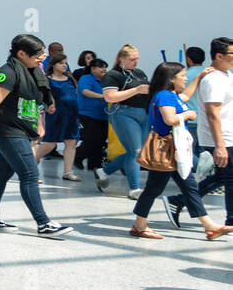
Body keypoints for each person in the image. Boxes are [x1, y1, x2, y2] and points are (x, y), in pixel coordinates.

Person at [0, 33, 72, 236]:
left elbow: (33, 100)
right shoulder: (6, 73)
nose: (41, 59)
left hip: (21, 129)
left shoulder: (32, 72)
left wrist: (39, 124)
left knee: (1, 175)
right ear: (21, 53)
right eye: (38, 55)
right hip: (8, 131)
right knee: (29, 174)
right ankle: (43, 223)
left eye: (43, 55)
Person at [130, 62, 231, 240]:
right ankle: (139, 226)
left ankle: (209, 226)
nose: (185, 78)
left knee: (189, 187)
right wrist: (188, 115)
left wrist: (199, 78)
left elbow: (185, 96)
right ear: (171, 79)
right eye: (183, 76)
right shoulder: (164, 96)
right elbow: (169, 119)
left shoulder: (172, 95)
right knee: (154, 189)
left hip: (176, 150)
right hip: (167, 151)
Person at [165, 37, 233, 231]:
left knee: (222, 177)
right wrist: (220, 145)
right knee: (230, 178)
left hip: (227, 135)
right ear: (219, 56)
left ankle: (178, 201)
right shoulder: (212, 80)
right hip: (221, 137)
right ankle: (231, 221)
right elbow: (212, 113)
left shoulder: (227, 76)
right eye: (232, 54)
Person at [95, 44, 151, 199]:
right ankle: (134, 189)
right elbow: (110, 97)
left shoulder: (139, 73)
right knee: (135, 151)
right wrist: (136, 90)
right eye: (132, 59)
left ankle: (104, 171)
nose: (136, 62)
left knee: (137, 151)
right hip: (124, 114)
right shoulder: (113, 75)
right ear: (122, 58)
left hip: (143, 113)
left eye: (137, 59)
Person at [35, 54, 81, 180]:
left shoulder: (69, 79)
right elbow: (46, 95)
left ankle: (67, 172)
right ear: (54, 65)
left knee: (71, 142)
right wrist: (50, 105)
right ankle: (33, 163)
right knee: (50, 142)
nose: (64, 65)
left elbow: (74, 92)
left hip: (72, 113)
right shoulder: (47, 80)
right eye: (61, 63)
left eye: (65, 63)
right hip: (56, 114)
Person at [76, 59, 110, 173]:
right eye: (101, 67)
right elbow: (85, 91)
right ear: (93, 69)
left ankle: (94, 164)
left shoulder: (106, 80)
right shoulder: (87, 78)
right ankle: (77, 156)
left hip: (103, 116)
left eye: (105, 67)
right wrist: (101, 96)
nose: (104, 69)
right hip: (87, 114)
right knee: (91, 139)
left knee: (100, 141)